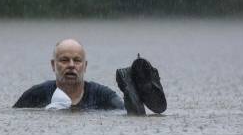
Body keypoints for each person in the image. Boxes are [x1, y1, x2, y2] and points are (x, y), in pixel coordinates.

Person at [13, 38, 166, 115]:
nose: (71, 65)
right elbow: (12, 116)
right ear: (53, 65)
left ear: (85, 66)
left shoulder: (103, 95)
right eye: (65, 60)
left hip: (112, 110)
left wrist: (133, 112)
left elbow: (120, 113)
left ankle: (137, 90)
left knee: (128, 113)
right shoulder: (35, 95)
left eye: (77, 60)